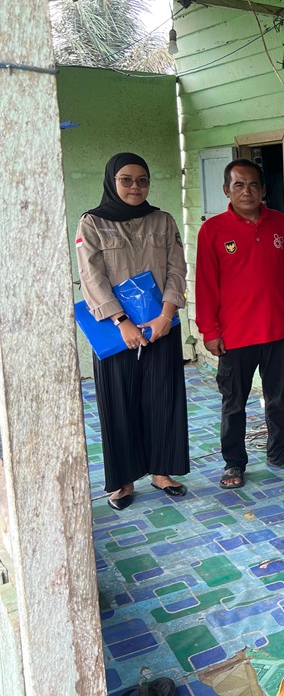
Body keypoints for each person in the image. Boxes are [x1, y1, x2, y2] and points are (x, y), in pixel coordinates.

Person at [75, 152, 189, 510]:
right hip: (115, 331)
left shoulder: (163, 220)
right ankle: (123, 481)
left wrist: (166, 316)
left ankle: (161, 471)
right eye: (126, 180)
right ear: (112, 182)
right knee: (118, 403)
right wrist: (121, 321)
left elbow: (177, 269)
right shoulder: (92, 223)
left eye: (142, 180)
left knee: (163, 398)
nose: (135, 186)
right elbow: (91, 277)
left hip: (161, 327)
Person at [196, 159, 284, 489]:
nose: (247, 191)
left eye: (253, 185)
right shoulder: (212, 230)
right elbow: (205, 284)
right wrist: (209, 330)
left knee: (278, 397)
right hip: (234, 336)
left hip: (278, 330)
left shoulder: (279, 224)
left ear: (262, 189)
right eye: (239, 185)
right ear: (226, 190)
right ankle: (234, 463)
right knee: (234, 404)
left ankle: (280, 451)